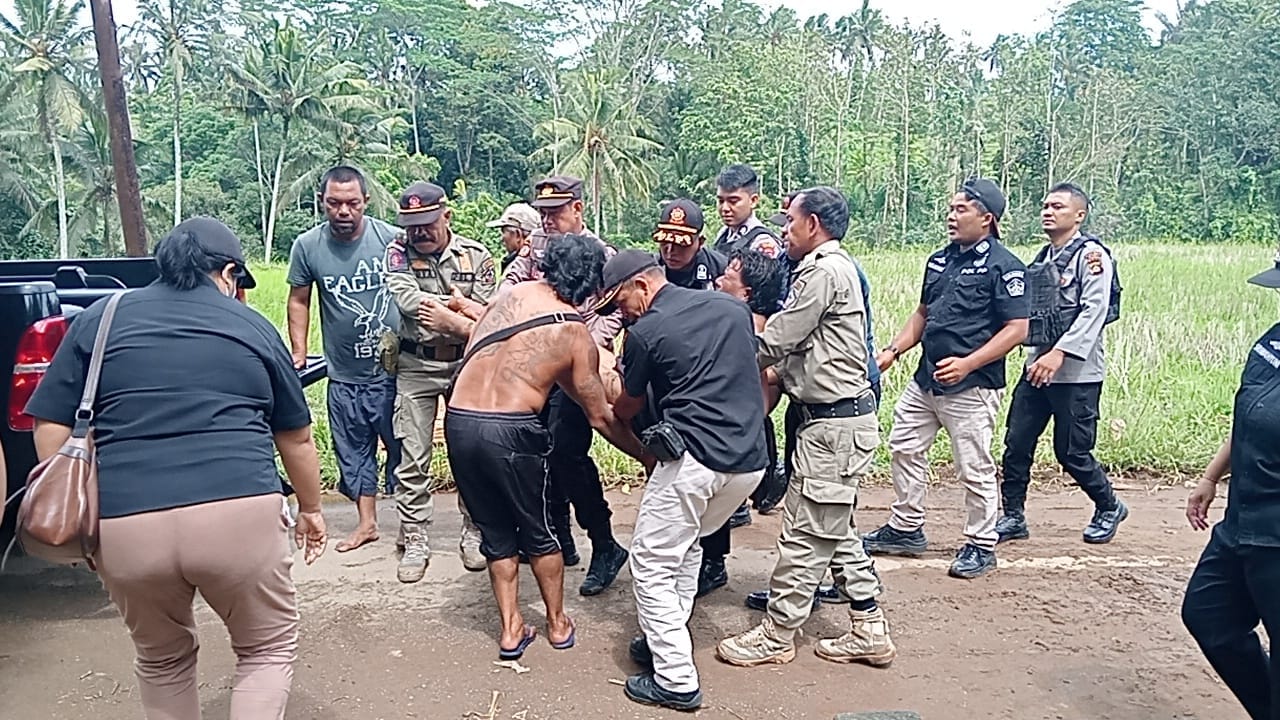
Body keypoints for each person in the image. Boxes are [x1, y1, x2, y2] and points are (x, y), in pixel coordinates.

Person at [24, 217, 328, 719]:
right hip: (238, 512)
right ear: (228, 273)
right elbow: (294, 436)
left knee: (162, 660)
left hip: (127, 522)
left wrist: (78, 515)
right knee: (265, 650)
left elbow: (51, 425)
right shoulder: (250, 325)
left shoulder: (101, 318)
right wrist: (311, 509)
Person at [445, 233, 650, 661]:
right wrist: (647, 456)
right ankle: (557, 624)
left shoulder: (508, 296)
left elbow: (475, 350)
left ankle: (510, 630)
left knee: (495, 532)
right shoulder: (574, 331)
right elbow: (599, 415)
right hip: (511, 431)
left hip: (460, 421)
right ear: (593, 287)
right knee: (539, 532)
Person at [716, 187, 895, 669]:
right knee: (834, 528)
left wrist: (716, 352)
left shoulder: (822, 271)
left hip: (833, 426)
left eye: (790, 222)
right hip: (833, 423)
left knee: (804, 534)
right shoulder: (828, 268)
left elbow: (775, 341)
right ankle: (869, 627)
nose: (784, 231)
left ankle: (778, 634)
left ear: (812, 224)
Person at [599, 250, 767, 711]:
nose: (622, 313)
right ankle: (664, 639)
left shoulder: (646, 332)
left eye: (621, 302)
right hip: (749, 462)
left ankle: (675, 679)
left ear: (642, 286)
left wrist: (610, 391)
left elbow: (629, 406)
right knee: (688, 544)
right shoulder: (731, 308)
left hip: (695, 462)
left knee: (651, 562)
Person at [862, 178, 1028, 580]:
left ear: (986, 219)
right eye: (951, 209)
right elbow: (923, 313)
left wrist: (969, 363)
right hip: (927, 378)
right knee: (903, 446)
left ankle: (981, 543)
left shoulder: (1005, 267)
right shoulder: (940, 260)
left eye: (961, 209)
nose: (951, 216)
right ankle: (906, 526)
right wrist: (893, 351)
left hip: (972, 384)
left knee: (973, 465)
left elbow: (1017, 329)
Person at [502, 175, 628, 595]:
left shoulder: (602, 254)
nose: (547, 220)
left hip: (579, 365)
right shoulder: (536, 244)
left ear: (578, 208)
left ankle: (604, 542)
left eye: (555, 212)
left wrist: (587, 342)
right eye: (543, 212)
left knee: (567, 452)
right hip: (539, 363)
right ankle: (559, 538)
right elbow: (511, 283)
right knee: (540, 452)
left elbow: (616, 310)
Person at [996, 182, 1128, 545]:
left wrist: (1060, 353)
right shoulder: (1043, 258)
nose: (1048, 212)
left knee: (1072, 452)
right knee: (1017, 443)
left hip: (1076, 373)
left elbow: (1094, 310)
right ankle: (1013, 516)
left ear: (1079, 215)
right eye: (1045, 206)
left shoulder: (1091, 257)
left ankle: (1109, 506)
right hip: (1037, 366)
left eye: (1057, 206)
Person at [1181, 252, 1280, 720]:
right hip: (1241, 521)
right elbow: (1249, 416)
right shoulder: (1272, 343)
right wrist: (1210, 476)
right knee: (1209, 614)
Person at [384, 181, 496, 581]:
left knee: (470, 452)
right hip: (416, 364)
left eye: (428, 223)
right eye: (412, 225)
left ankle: (474, 529)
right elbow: (406, 300)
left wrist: (449, 318)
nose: (419, 233)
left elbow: (488, 311)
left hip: (467, 363)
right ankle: (415, 535)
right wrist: (456, 309)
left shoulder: (476, 255)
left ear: (446, 216)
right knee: (413, 455)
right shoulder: (398, 251)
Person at [287, 165, 401, 553]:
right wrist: (299, 351)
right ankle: (367, 524)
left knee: (404, 448)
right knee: (353, 452)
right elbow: (299, 299)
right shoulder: (307, 246)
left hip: (393, 371)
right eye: (334, 203)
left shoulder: (391, 240)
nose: (343, 211)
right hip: (344, 373)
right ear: (322, 202)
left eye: (352, 203)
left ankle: (411, 526)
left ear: (366, 201)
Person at [647, 199, 741, 598]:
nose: (672, 251)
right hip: (664, 386)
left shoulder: (719, 271)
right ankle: (678, 553)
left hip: (709, 389)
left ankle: (714, 561)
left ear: (700, 242)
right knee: (671, 474)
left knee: (709, 476)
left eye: (682, 244)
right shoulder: (653, 272)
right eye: (665, 242)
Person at [711, 164, 783, 259]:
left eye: (733, 201)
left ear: (753, 201)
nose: (725, 208)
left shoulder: (762, 242)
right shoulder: (724, 233)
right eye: (721, 201)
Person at [487, 202, 541, 273]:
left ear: (518, 235)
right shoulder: (544, 262)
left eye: (504, 232)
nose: (502, 239)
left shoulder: (519, 268)